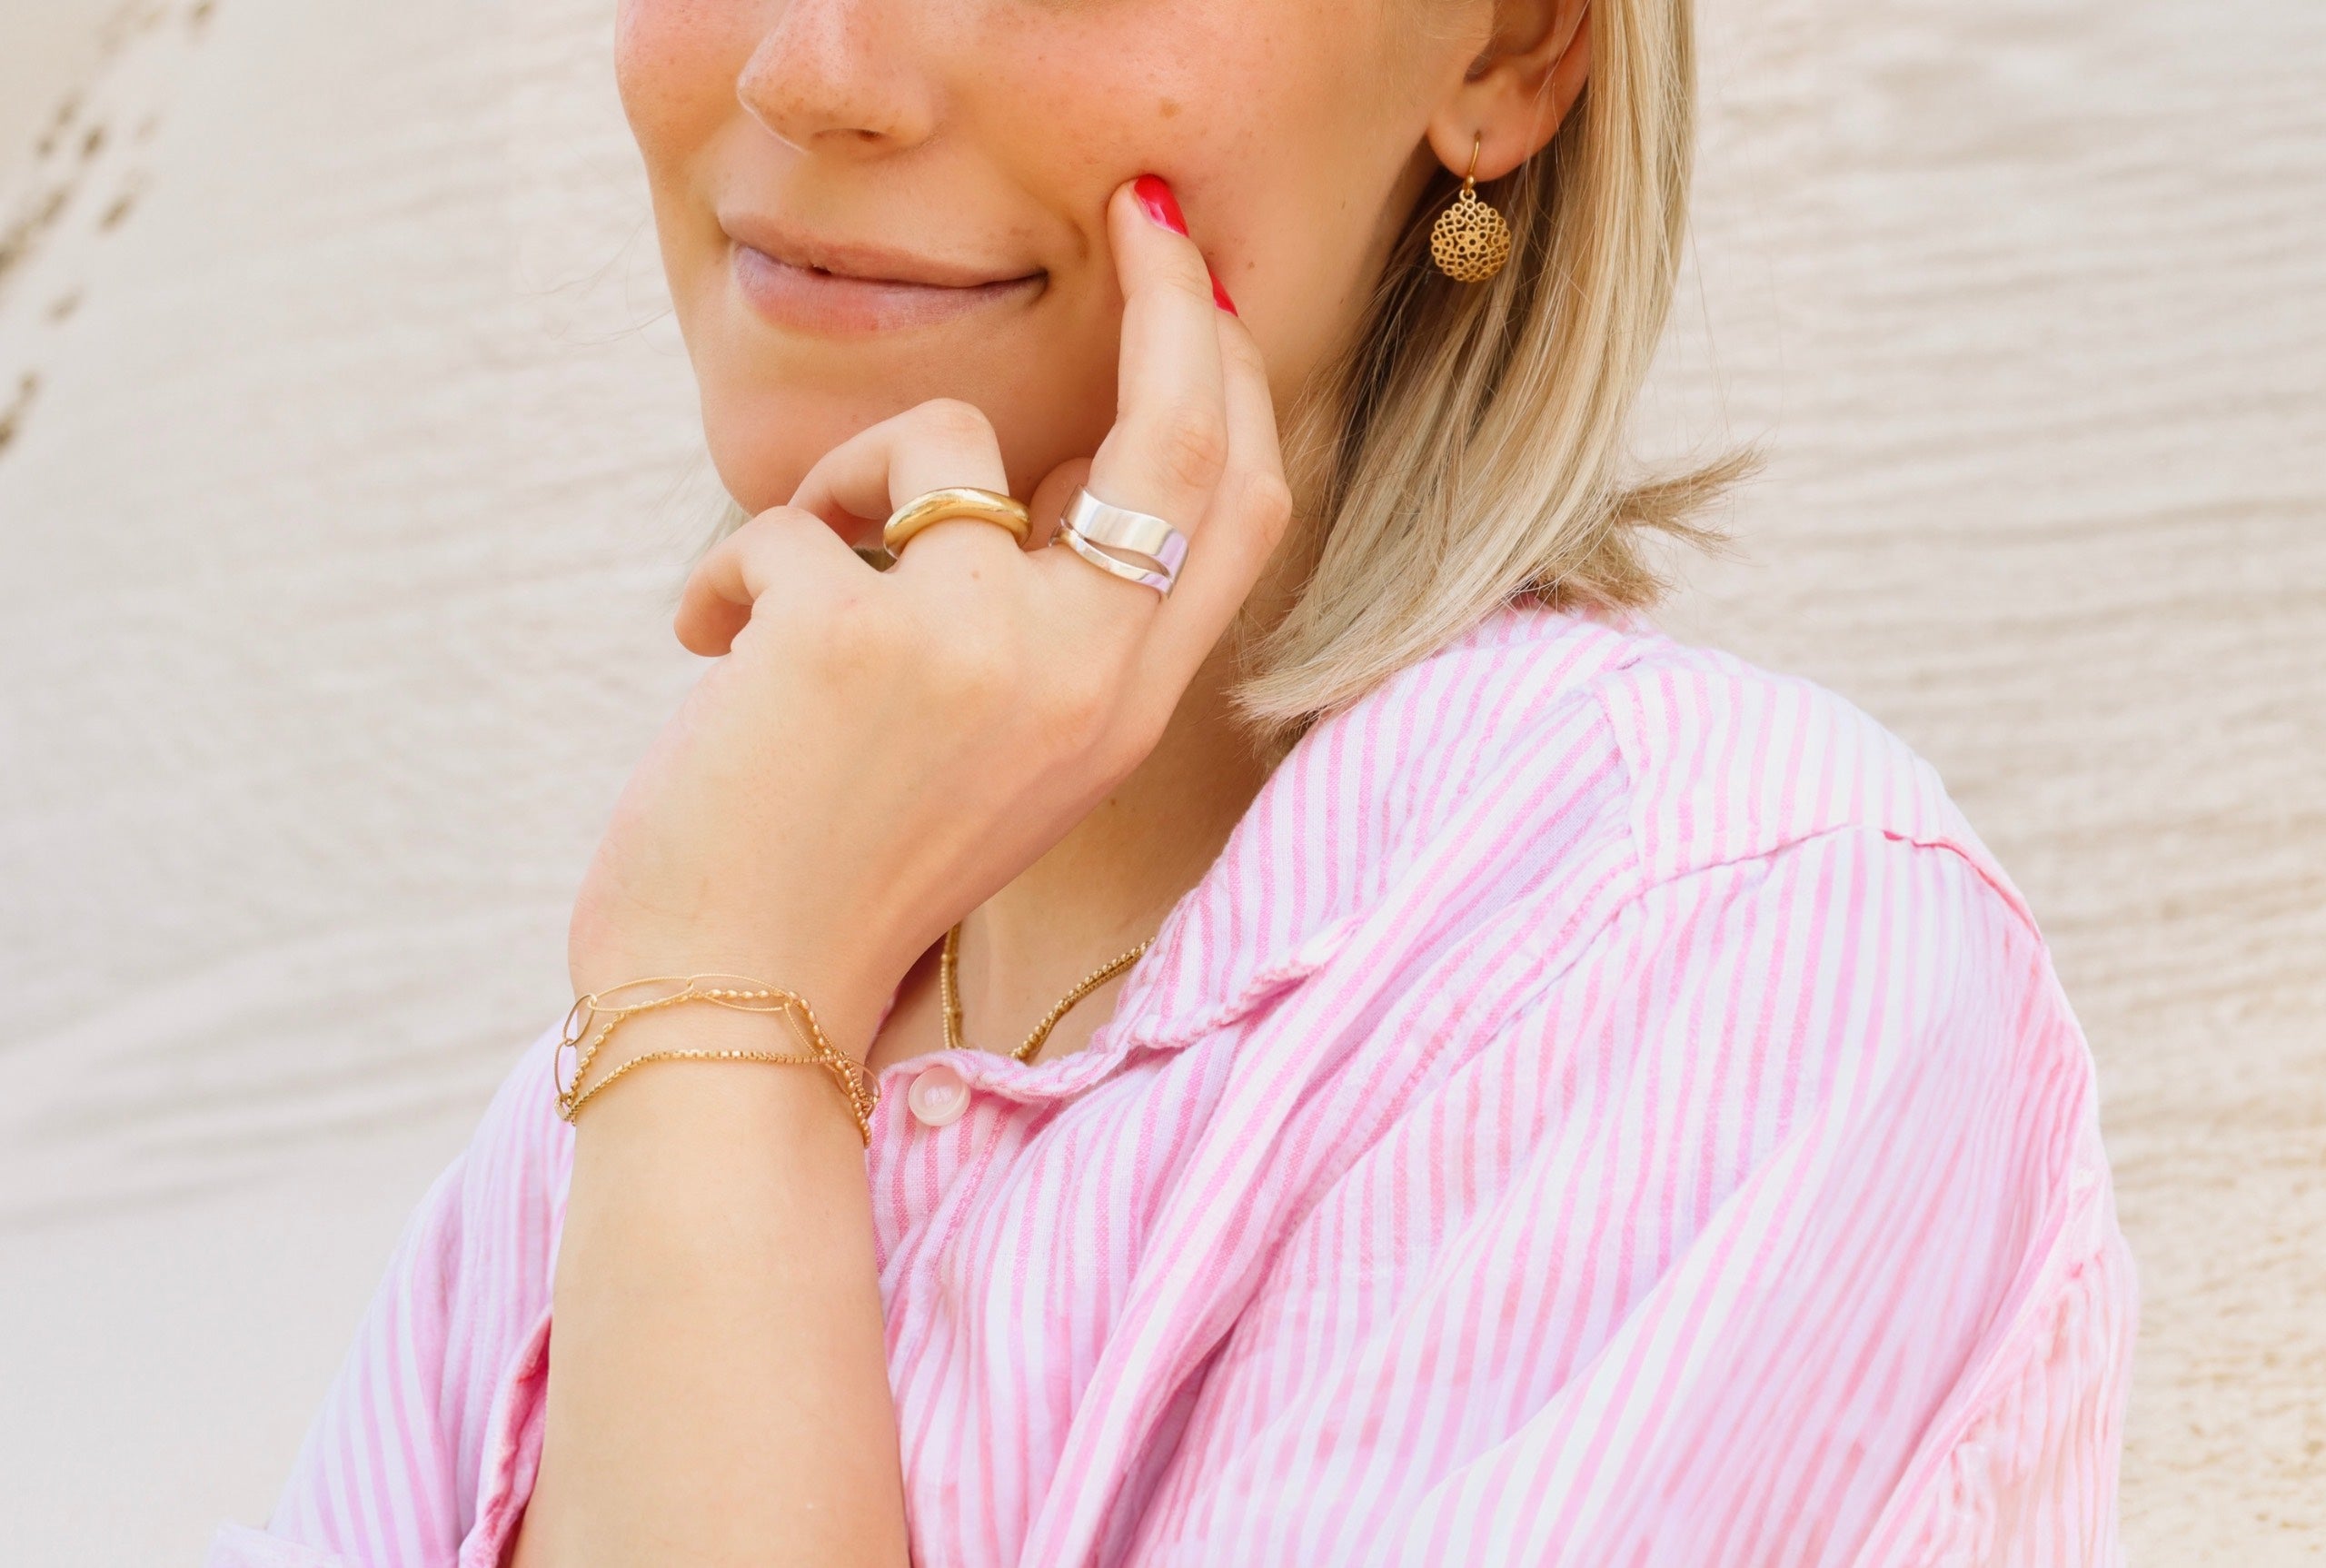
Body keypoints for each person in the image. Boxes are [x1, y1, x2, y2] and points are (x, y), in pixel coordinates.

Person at [208, 0, 2137, 1563]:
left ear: (1503, 53)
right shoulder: (631, 1062)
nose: (810, 66)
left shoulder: (1726, 935)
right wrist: (722, 1011)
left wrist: (722, 1025)